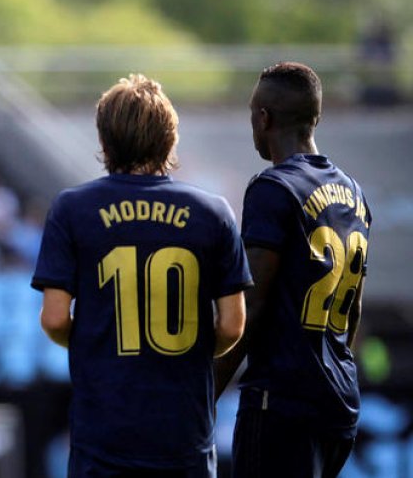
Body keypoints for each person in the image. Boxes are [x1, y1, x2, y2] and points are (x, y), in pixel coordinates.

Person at [31, 73, 251, 477]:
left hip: (104, 436)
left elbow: (55, 317)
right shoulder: (214, 212)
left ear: (104, 139)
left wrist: (95, 342)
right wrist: (189, 352)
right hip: (184, 435)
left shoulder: (71, 209)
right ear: (170, 138)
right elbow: (234, 326)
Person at [214, 62, 372, 477]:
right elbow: (352, 311)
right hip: (338, 403)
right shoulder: (353, 195)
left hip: (281, 403)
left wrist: (206, 392)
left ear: (263, 118)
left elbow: (252, 304)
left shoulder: (274, 188)